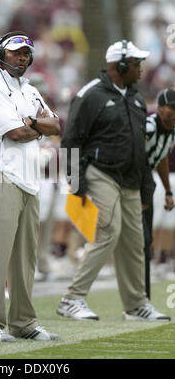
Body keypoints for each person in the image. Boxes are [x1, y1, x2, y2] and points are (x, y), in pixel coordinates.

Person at [57, 40, 171, 321]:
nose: (141, 69)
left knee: (135, 241)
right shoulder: (90, 95)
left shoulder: (134, 97)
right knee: (107, 231)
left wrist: (147, 187)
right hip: (100, 172)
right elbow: (71, 140)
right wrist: (75, 183)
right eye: (135, 63)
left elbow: (141, 146)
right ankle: (72, 298)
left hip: (130, 177)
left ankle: (135, 304)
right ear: (119, 65)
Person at [0, 31, 60, 342]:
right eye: (15, 52)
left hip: (27, 180)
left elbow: (56, 126)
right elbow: (16, 134)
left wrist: (31, 123)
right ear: (0, 54)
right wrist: (36, 125)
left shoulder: (30, 90)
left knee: (25, 259)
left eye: (25, 53)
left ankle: (23, 322)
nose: (21, 57)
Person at [143, 88, 175, 297]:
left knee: (144, 240)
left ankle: (142, 295)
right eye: (170, 108)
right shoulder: (149, 126)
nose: (173, 112)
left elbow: (162, 158)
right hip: (132, 180)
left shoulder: (171, 131)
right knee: (135, 237)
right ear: (160, 108)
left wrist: (168, 191)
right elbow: (133, 153)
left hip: (146, 183)